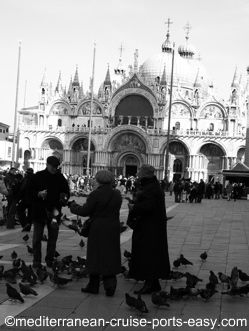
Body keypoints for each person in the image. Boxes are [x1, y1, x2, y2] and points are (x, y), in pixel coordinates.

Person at [69, 170, 122, 296]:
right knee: (110, 253)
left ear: (99, 181)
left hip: (98, 228)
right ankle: (110, 286)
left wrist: (73, 207)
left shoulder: (95, 194)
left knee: (96, 255)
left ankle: (93, 285)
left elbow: (85, 211)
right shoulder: (117, 194)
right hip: (113, 227)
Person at [128, 164, 170, 294]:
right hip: (152, 226)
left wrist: (134, 207)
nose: (138, 173)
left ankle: (150, 283)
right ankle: (154, 282)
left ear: (145, 173)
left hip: (150, 227)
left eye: (140, 171)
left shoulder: (151, 188)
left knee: (148, 254)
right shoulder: (151, 185)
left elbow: (149, 206)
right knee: (152, 253)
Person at [29, 156, 69, 268]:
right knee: (37, 238)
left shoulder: (60, 177)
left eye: (56, 167)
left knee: (53, 237)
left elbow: (66, 191)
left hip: (55, 211)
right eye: (52, 167)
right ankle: (36, 261)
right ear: (47, 165)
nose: (54, 169)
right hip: (39, 210)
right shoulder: (38, 176)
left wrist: (64, 197)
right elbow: (29, 192)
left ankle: (50, 260)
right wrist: (38, 194)